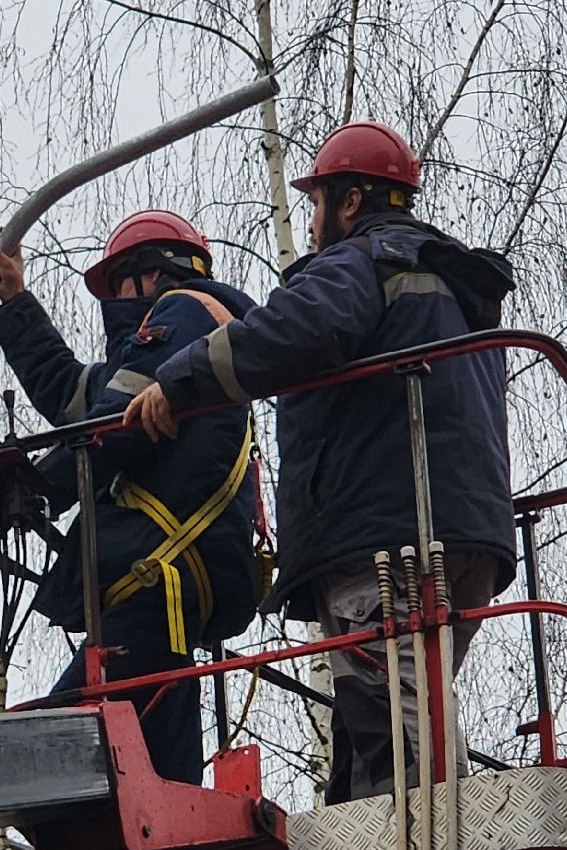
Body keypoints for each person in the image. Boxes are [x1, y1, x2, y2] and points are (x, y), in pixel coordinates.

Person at [121, 122, 518, 804]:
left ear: (352, 202)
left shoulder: (363, 263)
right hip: (466, 534)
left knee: (391, 719)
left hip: (383, 538)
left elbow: (293, 332)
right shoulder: (457, 289)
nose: (310, 224)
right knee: (383, 711)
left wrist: (177, 381)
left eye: (317, 204)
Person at [0, 210, 260, 784]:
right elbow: (76, 397)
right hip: (170, 589)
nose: (115, 300)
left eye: (119, 285)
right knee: (162, 782)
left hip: (156, 580)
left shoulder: (184, 312)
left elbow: (110, 426)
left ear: (148, 274)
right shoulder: (167, 351)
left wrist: (33, 487)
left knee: (48, 755)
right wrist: (16, 307)